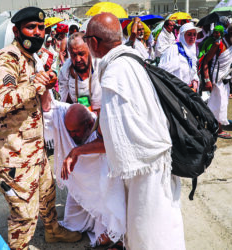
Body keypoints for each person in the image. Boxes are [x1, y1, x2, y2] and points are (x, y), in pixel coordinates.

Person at [0, 7, 81, 250]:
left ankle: (53, 231)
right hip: (12, 153)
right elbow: (2, 102)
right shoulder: (7, 59)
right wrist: (36, 86)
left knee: (47, 194)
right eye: (31, 28)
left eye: (41, 28)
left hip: (32, 148)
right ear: (17, 31)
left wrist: (44, 83)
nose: (37, 33)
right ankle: (20, 246)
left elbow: (35, 98)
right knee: (24, 214)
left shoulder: (28, 58)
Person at [85, 13, 186, 250]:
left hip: (145, 170)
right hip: (157, 159)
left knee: (148, 235)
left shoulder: (114, 73)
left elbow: (116, 139)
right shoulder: (132, 59)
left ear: (94, 43)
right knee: (165, 227)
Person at [41, 92, 125, 247]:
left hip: (103, 191)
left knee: (109, 231)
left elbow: (109, 145)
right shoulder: (64, 115)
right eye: (69, 131)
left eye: (76, 132)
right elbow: (48, 109)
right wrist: (46, 88)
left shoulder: (99, 123)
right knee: (72, 223)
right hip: (80, 187)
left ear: (88, 124)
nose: (71, 136)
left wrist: (77, 151)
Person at [202, 22, 232, 139]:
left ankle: (215, 127)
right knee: (218, 105)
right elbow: (205, 61)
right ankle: (218, 130)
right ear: (231, 32)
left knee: (221, 105)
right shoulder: (218, 44)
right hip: (216, 80)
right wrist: (207, 80)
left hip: (225, 79)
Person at [58, 32, 101, 113]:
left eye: (81, 54)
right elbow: (64, 102)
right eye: (73, 55)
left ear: (89, 50)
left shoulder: (100, 66)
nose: (78, 59)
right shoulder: (66, 71)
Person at [159, 23, 201, 90]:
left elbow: (193, 69)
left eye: (194, 34)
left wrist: (194, 80)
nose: (192, 37)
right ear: (182, 36)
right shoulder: (173, 49)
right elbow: (164, 72)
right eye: (189, 34)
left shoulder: (192, 50)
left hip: (188, 90)